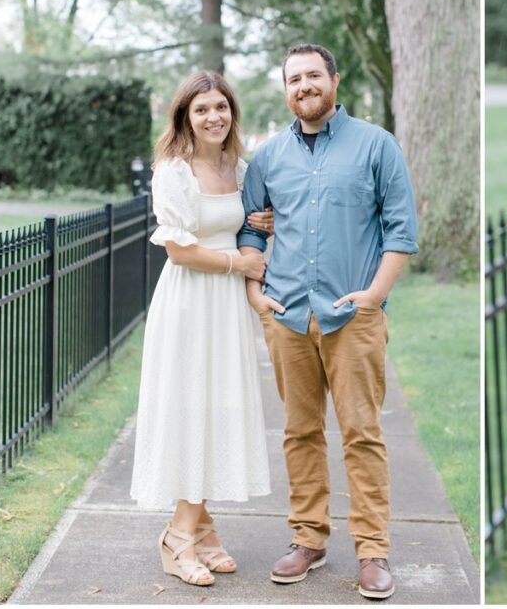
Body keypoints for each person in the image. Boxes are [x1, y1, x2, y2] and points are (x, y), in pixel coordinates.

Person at [237, 43, 419, 600]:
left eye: (314, 75)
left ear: (335, 80)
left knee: (363, 434)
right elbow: (251, 230)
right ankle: (308, 539)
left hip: (352, 318)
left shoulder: (376, 146)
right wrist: (255, 292)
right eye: (294, 79)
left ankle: (372, 552)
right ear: (286, 89)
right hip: (288, 316)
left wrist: (374, 297)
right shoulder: (267, 159)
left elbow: (401, 230)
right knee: (299, 432)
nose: (304, 86)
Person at [130, 71, 276, 586]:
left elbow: (241, 222)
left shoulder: (237, 165)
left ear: (231, 112)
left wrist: (260, 229)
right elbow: (179, 249)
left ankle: (205, 528)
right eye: (201, 109)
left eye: (220, 107)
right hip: (190, 303)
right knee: (192, 406)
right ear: (185, 117)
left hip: (226, 309)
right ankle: (178, 536)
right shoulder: (174, 170)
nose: (213, 117)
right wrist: (240, 264)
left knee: (218, 407)